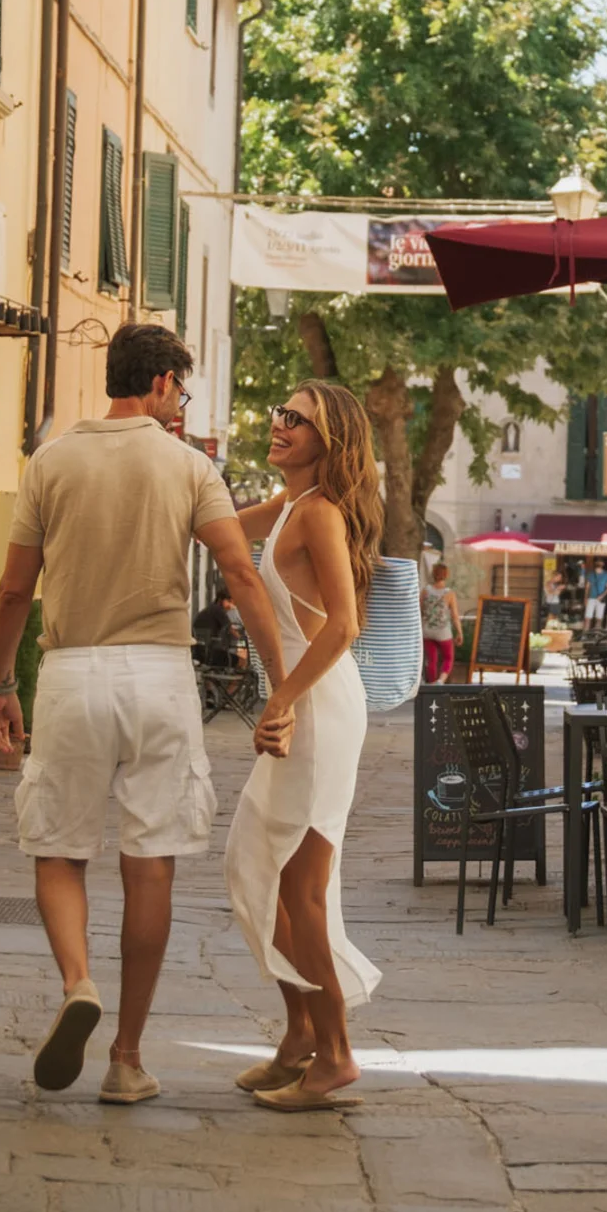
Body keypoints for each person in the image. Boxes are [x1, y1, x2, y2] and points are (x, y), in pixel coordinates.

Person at [0, 323, 287, 1104]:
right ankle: (126, 1057)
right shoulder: (189, 466)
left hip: (71, 674)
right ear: (158, 384)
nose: (180, 405)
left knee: (58, 846)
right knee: (149, 864)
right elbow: (239, 576)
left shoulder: (50, 461)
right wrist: (282, 682)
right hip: (159, 677)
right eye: (179, 391)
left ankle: (78, 982)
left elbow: (14, 589)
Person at [224, 380, 383, 1112]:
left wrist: (281, 700)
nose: (280, 424)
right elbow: (215, 526)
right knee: (255, 863)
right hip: (305, 702)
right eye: (280, 413)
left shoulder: (318, 514)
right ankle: (297, 1038)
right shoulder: (286, 505)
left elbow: (344, 625)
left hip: (317, 707)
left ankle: (337, 1054)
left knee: (302, 887)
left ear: (330, 441)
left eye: (298, 420)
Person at [420, 561, 462, 683]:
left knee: (431, 659)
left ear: (433, 575)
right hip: (443, 632)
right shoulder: (449, 593)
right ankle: (441, 680)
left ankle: (431, 684)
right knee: (448, 657)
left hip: (427, 630)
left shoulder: (425, 590)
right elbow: (454, 615)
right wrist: (460, 632)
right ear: (446, 575)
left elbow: (420, 609)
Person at [193, 588, 242, 670]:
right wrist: (241, 637)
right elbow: (231, 629)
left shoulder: (210, 609)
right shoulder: (218, 610)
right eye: (229, 602)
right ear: (221, 600)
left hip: (199, 653)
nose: (231, 606)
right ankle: (232, 683)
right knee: (241, 661)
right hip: (210, 655)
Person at [584, 559, 607, 631]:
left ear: (603, 564)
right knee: (588, 617)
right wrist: (586, 598)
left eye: (600, 563)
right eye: (598, 563)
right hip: (591, 598)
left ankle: (597, 634)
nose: (599, 564)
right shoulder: (591, 574)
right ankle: (585, 634)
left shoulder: (606, 574)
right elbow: (587, 587)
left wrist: (602, 596)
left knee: (599, 618)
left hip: (601, 599)